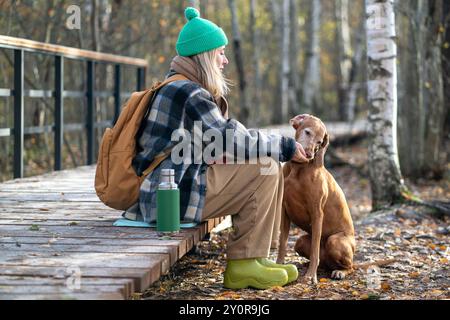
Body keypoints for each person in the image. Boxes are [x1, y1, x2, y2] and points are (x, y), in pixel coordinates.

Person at [129, 7, 309, 289]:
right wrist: (284, 144)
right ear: (205, 56)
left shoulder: (179, 86)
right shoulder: (188, 92)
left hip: (173, 187)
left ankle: (256, 258)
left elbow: (213, 142)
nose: (225, 60)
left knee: (264, 165)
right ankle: (244, 263)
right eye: (220, 53)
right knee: (264, 168)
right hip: (168, 197)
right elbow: (230, 137)